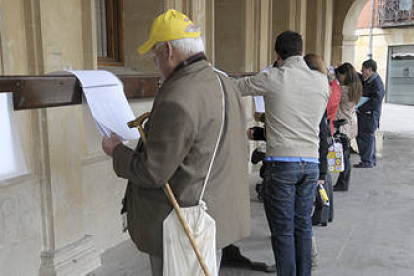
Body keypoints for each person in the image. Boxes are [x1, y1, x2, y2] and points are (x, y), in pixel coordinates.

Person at [101, 9, 250, 275]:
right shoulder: (224, 81)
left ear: (168, 51)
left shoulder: (178, 95)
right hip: (213, 216)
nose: (154, 62)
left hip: (184, 225)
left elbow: (152, 171)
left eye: (155, 55)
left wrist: (116, 151)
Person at [234, 31, 330, 276]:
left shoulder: (273, 77)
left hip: (282, 164)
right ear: (300, 51)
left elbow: (237, 87)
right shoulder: (321, 82)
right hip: (310, 164)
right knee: (303, 226)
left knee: (283, 230)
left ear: (277, 54)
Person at [333, 63, 362, 190]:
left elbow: (331, 90)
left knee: (344, 156)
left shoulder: (344, 90)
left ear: (344, 75)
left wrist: (331, 73)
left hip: (343, 125)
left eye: (339, 75)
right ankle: (343, 182)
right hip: (350, 123)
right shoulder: (355, 86)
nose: (338, 78)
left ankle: (343, 184)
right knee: (346, 154)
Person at [355, 59, 385, 168]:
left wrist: (360, 107)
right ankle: (370, 160)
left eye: (363, 69)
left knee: (365, 138)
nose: (361, 71)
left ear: (369, 69)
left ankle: (367, 161)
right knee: (368, 138)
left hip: (369, 115)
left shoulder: (377, 83)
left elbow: (375, 102)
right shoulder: (370, 79)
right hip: (367, 115)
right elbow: (360, 78)